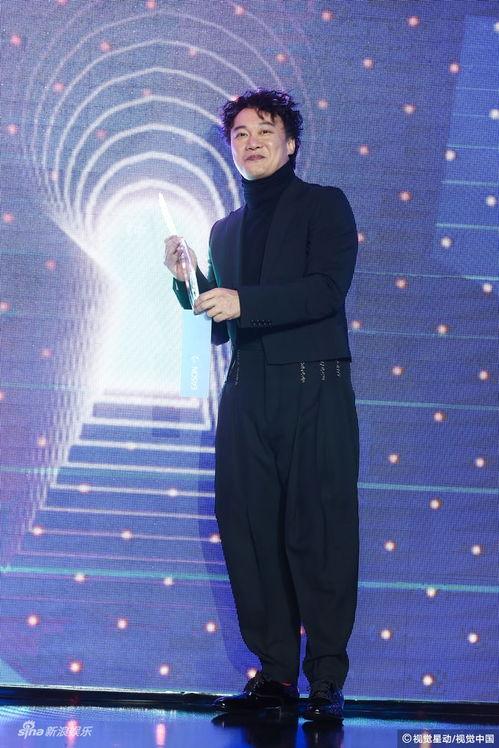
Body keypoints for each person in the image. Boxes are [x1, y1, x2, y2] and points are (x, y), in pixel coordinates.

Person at [164, 89, 359, 723]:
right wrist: (187, 280)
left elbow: (325, 291)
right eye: (240, 134)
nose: (252, 142)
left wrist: (243, 301)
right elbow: (219, 320)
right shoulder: (225, 229)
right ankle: (275, 676)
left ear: (291, 143)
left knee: (319, 532)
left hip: (314, 388)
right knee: (249, 531)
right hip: (248, 392)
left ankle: (325, 679)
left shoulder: (325, 205)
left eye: (265, 130)